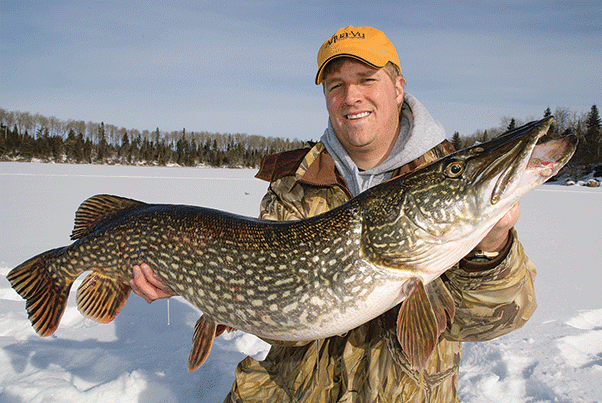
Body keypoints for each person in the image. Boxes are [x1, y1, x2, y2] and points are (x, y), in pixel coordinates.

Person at [131, 26, 536, 402]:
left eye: (366, 79)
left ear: (398, 88)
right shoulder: (294, 183)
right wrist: (194, 281)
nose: (351, 96)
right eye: (336, 85)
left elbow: (496, 321)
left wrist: (492, 247)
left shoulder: (445, 175)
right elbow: (278, 316)